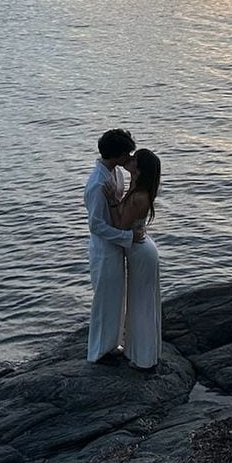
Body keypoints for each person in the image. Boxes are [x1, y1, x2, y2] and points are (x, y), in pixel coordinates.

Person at [84, 128, 142, 364]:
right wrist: (127, 237)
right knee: (105, 298)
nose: (129, 157)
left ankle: (111, 344)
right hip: (104, 249)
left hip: (115, 244)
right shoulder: (97, 183)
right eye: (126, 153)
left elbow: (117, 204)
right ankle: (98, 351)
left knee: (117, 297)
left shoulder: (114, 173)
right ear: (115, 155)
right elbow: (96, 225)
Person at [107, 148, 162, 371]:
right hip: (139, 247)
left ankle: (144, 357)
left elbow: (120, 225)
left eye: (134, 160)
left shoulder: (140, 196)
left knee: (141, 303)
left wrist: (112, 201)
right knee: (139, 301)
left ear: (140, 169)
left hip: (141, 252)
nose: (129, 160)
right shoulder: (136, 187)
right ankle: (136, 351)